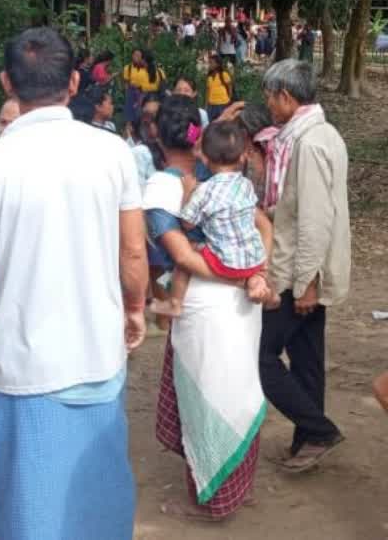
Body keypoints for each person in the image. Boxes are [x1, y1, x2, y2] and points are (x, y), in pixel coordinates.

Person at [0, 27, 147, 539]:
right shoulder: (112, 153)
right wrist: (135, 307)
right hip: (99, 353)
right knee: (99, 499)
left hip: (26, 364)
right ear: (75, 81)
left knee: (30, 504)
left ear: (6, 82)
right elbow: (131, 249)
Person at [144, 95, 266, 521]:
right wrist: (256, 273)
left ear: (156, 134)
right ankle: (236, 486)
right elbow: (264, 227)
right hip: (244, 304)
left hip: (206, 305)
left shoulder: (166, 188)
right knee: (239, 390)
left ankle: (209, 499)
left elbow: (182, 254)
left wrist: (229, 272)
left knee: (208, 397)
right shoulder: (232, 184)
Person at [259, 59, 351, 472]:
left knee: (259, 357)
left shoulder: (309, 144)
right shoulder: (318, 134)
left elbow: (315, 219)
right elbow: (303, 208)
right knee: (307, 357)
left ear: (286, 96)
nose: (267, 103)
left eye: (269, 95)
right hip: (305, 266)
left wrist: (307, 282)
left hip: (299, 270)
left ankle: (319, 429)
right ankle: (308, 441)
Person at [150, 120, 272, 317]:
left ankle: (174, 303)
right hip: (255, 260)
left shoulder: (204, 190)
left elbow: (188, 224)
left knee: (187, 253)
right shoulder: (246, 185)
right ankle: (257, 283)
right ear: (242, 157)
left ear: (205, 159)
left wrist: (188, 193)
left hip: (225, 262)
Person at [122, 48, 165, 128]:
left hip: (143, 101)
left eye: (141, 58)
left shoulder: (142, 73)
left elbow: (138, 87)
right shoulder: (160, 71)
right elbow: (162, 86)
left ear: (144, 61)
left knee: (140, 123)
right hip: (156, 102)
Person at [205, 54, 233, 122]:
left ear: (217, 64)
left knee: (222, 123)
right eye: (209, 63)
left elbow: (230, 88)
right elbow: (208, 91)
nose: (209, 65)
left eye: (211, 63)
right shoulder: (209, 77)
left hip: (222, 104)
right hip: (211, 105)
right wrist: (206, 104)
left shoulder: (224, 74)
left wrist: (229, 99)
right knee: (210, 123)